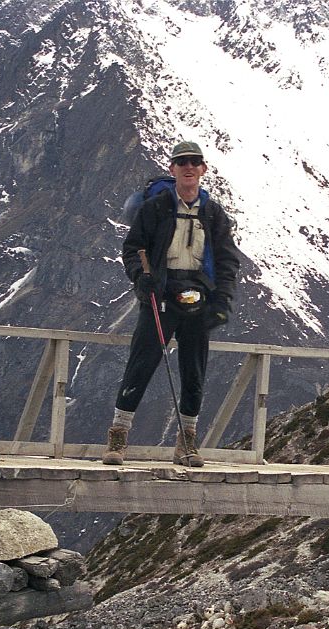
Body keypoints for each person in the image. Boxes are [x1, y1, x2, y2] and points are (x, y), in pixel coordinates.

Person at [102, 141, 240, 467]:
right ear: (172, 168)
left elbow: (226, 260)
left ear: (203, 169)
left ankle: (186, 443)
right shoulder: (155, 209)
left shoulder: (213, 213)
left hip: (197, 297)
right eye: (182, 162)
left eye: (194, 162)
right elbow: (133, 249)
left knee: (194, 371)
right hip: (160, 294)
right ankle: (119, 439)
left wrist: (221, 300)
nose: (188, 167)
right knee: (142, 363)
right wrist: (141, 277)